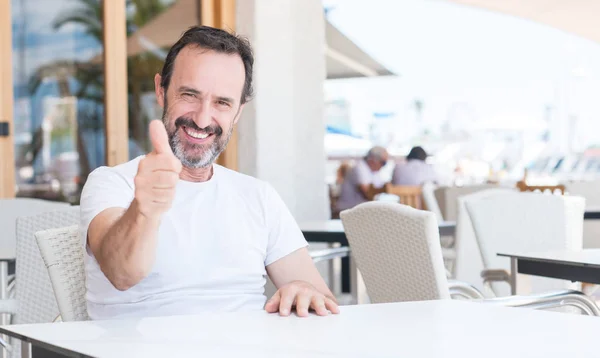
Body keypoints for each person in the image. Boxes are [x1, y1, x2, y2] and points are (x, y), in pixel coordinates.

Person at [80, 26, 338, 320]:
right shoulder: (111, 183)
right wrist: (144, 211)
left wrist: (305, 292)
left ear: (238, 112)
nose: (203, 119)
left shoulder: (258, 196)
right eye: (190, 95)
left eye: (222, 103)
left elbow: (322, 300)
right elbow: (121, 273)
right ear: (161, 91)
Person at [335, 146, 389, 212]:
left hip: (359, 209)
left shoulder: (373, 171)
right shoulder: (359, 168)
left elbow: (378, 188)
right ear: (373, 160)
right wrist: (387, 188)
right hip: (348, 210)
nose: (383, 166)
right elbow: (368, 193)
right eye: (383, 163)